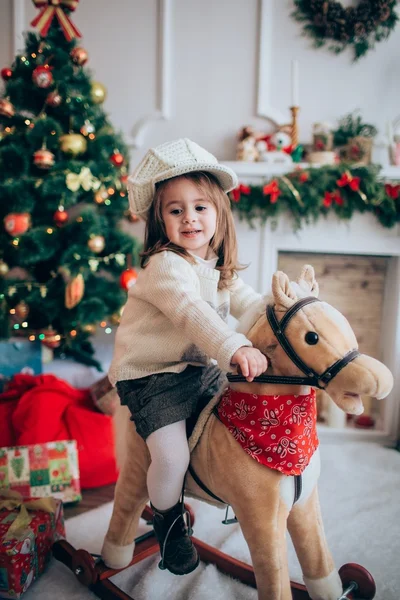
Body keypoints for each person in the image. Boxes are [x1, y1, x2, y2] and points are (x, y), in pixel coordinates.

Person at [108, 138, 268, 576]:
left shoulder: (214, 264)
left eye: (200, 207)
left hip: (197, 370)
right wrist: (234, 345)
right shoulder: (165, 266)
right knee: (172, 456)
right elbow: (191, 312)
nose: (190, 218)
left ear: (218, 212)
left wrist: (284, 311)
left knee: (240, 414)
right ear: (161, 220)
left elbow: (250, 303)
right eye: (176, 210)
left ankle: (242, 485)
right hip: (151, 375)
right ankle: (169, 522)